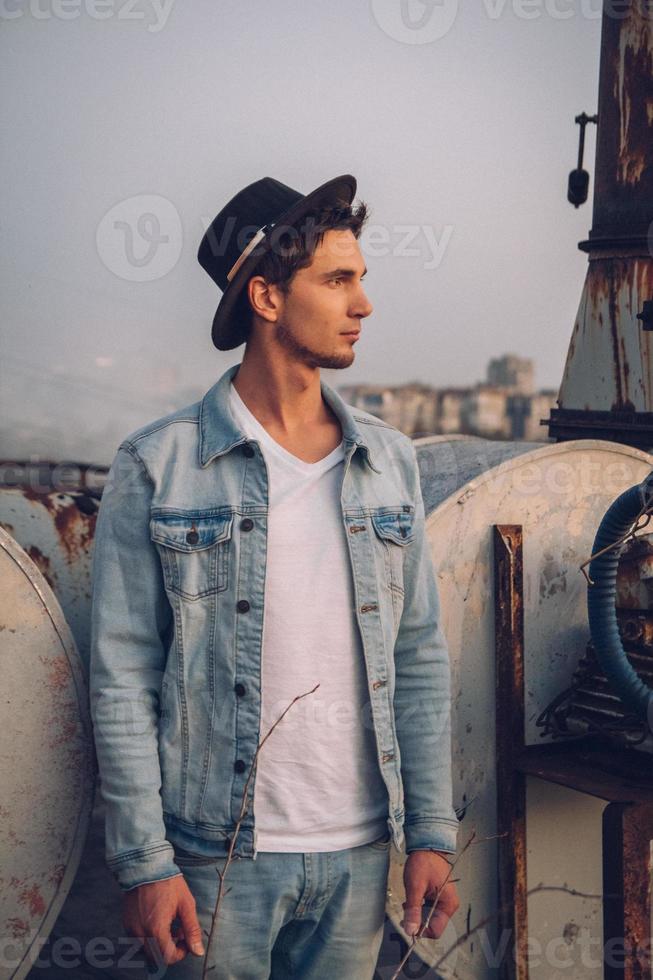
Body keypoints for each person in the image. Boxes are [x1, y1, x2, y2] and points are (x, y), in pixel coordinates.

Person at [89, 173, 460, 979]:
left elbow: (420, 658)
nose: (363, 304)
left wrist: (429, 834)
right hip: (216, 859)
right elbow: (122, 676)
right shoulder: (159, 465)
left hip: (363, 858)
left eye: (360, 279)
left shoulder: (387, 463)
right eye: (337, 280)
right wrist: (147, 864)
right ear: (265, 295)